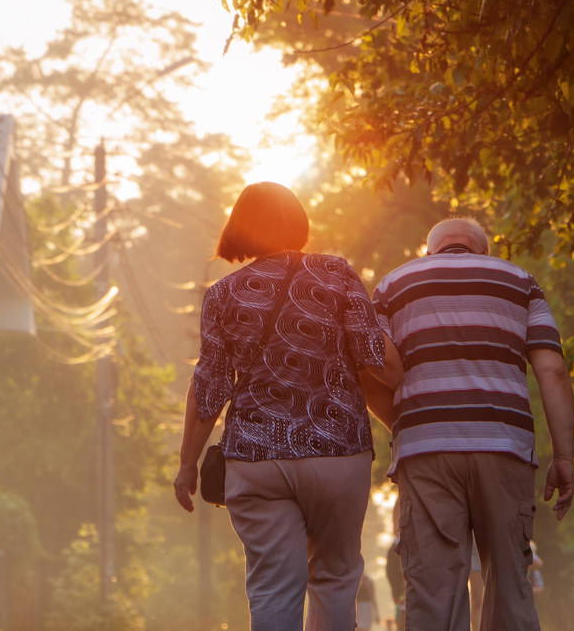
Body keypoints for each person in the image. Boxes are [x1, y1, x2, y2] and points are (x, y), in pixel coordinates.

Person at [172, 181, 403, 631]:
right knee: (335, 578)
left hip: (257, 458)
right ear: (297, 221)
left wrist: (187, 466)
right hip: (337, 452)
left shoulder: (222, 295)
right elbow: (380, 363)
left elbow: (209, 387)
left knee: (274, 587)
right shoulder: (335, 274)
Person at [370, 217, 574, 631]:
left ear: (430, 251)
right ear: (481, 250)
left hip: (425, 453)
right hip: (504, 448)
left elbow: (369, 370)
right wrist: (563, 455)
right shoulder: (519, 282)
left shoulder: (392, 287)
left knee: (432, 589)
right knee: (509, 584)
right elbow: (551, 370)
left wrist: (408, 427)